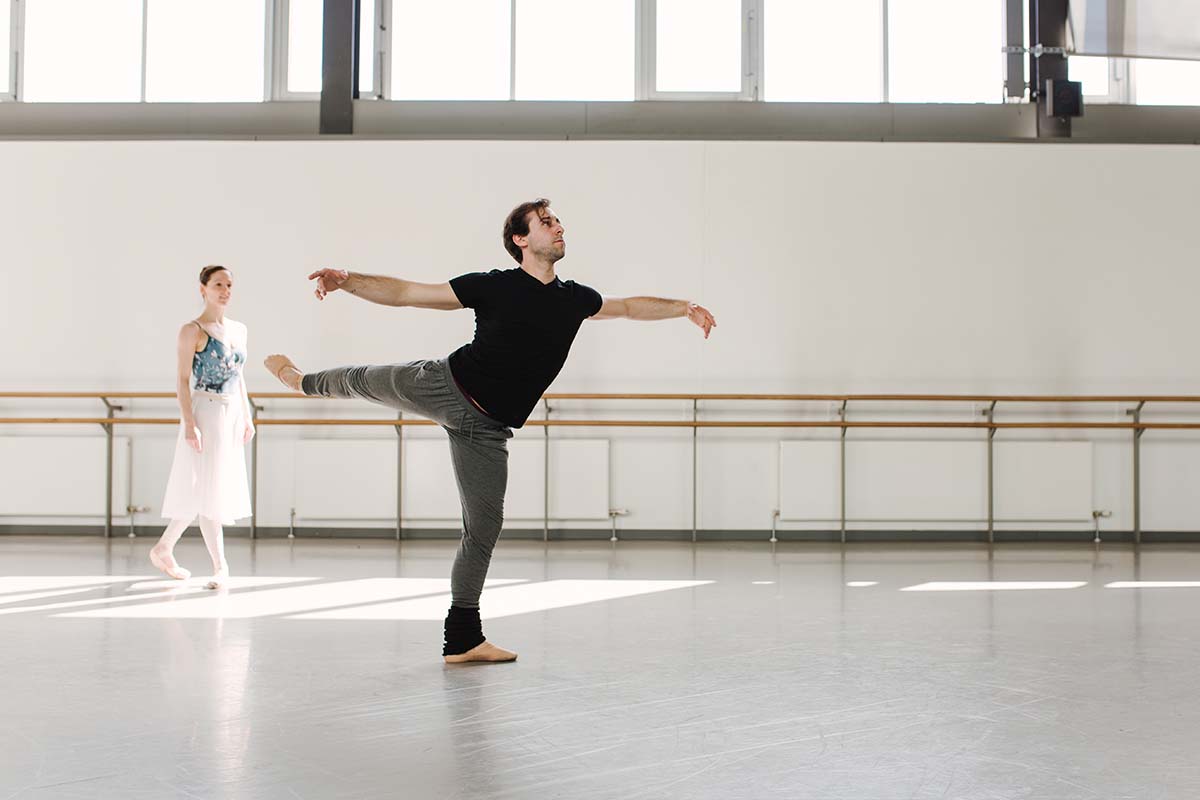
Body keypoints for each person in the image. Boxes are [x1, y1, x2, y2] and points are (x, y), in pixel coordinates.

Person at [264, 199, 715, 663]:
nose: (559, 227)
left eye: (557, 221)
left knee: (483, 527)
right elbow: (408, 293)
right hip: (444, 385)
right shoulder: (494, 286)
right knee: (366, 379)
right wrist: (349, 281)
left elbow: (627, 307)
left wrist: (685, 307)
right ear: (521, 240)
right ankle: (300, 381)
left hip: (488, 430)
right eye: (547, 222)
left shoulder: (575, 299)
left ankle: (462, 639)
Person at [151, 265, 254, 590]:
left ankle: (164, 548)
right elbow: (182, 381)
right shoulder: (192, 330)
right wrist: (189, 424)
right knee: (207, 488)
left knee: (213, 488)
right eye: (218, 284)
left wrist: (248, 416)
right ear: (203, 289)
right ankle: (220, 566)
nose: (225, 290)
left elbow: (240, 377)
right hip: (205, 411)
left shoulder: (239, 329)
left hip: (232, 412)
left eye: (229, 285)